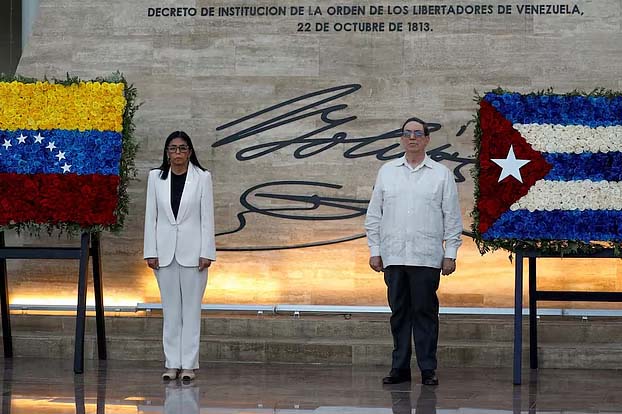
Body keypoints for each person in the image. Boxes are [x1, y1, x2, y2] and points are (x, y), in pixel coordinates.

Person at [364, 117, 462, 386]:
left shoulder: (441, 174)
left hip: (426, 257)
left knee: (425, 313)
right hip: (394, 256)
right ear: (401, 138)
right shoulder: (387, 172)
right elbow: (374, 215)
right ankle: (399, 369)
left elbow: (452, 217)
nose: (412, 138)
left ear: (427, 139)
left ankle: (428, 368)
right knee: (399, 314)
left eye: (418, 133)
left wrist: (451, 253)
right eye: (407, 133)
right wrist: (375, 250)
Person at [144, 131, 216, 381]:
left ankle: (189, 366)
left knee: (191, 311)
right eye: (173, 148)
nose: (178, 153)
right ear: (167, 152)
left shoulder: (202, 178)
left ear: (190, 152)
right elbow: (151, 217)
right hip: (164, 253)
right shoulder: (155, 177)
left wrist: (206, 252)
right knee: (171, 312)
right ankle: (172, 363)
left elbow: (207, 218)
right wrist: (150, 251)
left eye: (182, 148)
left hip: (194, 254)